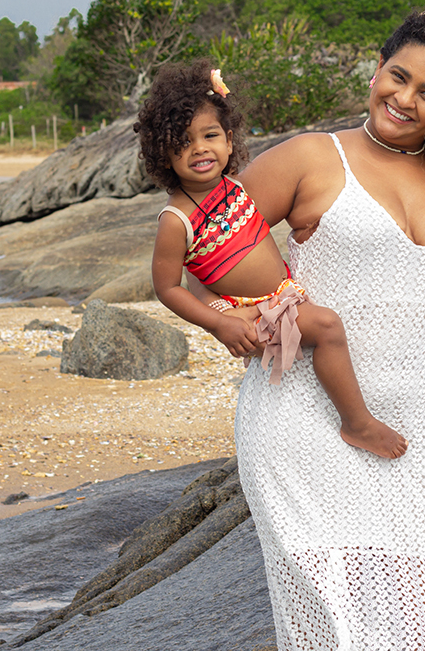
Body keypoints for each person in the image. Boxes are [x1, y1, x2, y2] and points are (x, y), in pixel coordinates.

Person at [213, 8, 425, 650]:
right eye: (397, 75)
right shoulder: (312, 157)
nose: (404, 98)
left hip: (418, 434)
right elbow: (200, 241)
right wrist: (230, 321)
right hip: (302, 417)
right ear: (377, 68)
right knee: (342, 621)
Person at [138, 60, 408, 460]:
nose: (199, 149)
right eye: (183, 143)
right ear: (164, 156)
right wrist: (220, 322)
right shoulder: (176, 220)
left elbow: (251, 238)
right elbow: (168, 287)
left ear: (229, 141)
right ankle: (358, 423)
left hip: (282, 296)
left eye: (210, 135)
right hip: (251, 315)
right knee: (328, 326)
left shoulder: (236, 188)